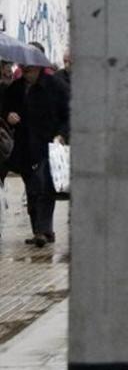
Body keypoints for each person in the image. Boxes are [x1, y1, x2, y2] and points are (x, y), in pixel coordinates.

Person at [1, 56, 70, 247]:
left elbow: (69, 113)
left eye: (29, 69)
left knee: (44, 186)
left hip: (48, 145)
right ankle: (40, 230)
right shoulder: (15, 88)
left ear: (39, 67)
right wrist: (9, 115)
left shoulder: (55, 86)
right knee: (32, 188)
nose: (25, 72)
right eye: (23, 68)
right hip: (24, 147)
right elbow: (4, 108)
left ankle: (42, 230)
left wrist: (62, 135)